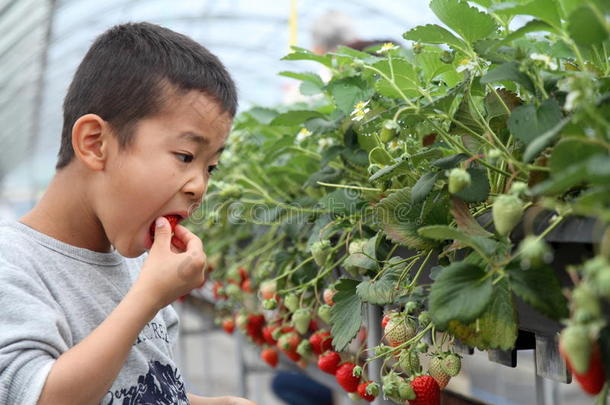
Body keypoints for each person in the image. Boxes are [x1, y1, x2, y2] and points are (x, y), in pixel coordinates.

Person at [0, 22, 256, 405]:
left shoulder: (138, 269)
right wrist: (146, 298)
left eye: (210, 167)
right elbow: (41, 397)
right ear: (95, 144)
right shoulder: (13, 267)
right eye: (185, 156)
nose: (199, 186)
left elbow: (139, 391)